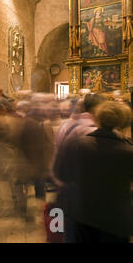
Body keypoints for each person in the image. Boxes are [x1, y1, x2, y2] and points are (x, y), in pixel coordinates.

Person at [55, 101, 133, 243]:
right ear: (123, 121)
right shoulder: (128, 150)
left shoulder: (77, 144)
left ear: (97, 118)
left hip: (83, 215)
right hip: (117, 219)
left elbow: (61, 174)